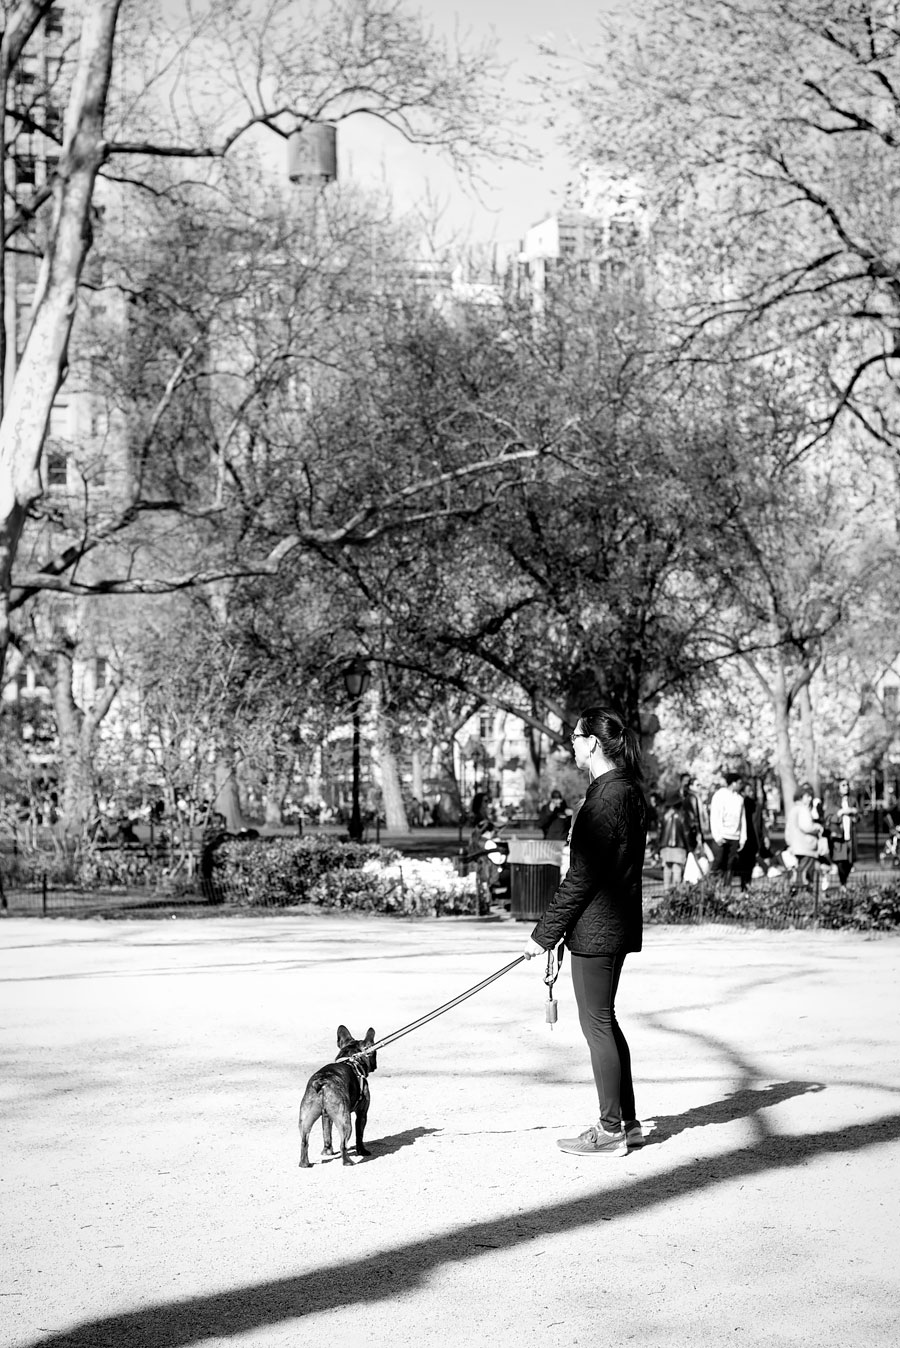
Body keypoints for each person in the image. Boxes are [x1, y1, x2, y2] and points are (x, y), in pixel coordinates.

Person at [521, 706, 647, 1157]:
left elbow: (582, 876)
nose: (571, 744)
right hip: (608, 925)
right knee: (605, 1021)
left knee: (596, 1022)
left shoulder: (606, 798)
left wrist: (544, 934)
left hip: (598, 928)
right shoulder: (625, 791)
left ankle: (610, 1129)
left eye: (575, 738)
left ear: (592, 742)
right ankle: (627, 1123)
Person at [708, 773, 747, 882]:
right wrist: (717, 836)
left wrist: (742, 838)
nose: (741, 786)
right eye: (739, 783)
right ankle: (712, 887)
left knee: (730, 865)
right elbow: (715, 817)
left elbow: (742, 819)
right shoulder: (720, 796)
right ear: (733, 783)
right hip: (722, 835)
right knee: (718, 862)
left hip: (734, 836)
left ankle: (726, 888)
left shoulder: (739, 799)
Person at [784, 783, 821, 890]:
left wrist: (790, 843)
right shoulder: (803, 810)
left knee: (799, 871)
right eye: (807, 796)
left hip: (796, 846)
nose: (810, 799)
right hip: (806, 846)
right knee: (805, 874)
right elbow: (806, 826)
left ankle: (796, 891)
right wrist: (817, 827)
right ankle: (803, 894)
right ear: (801, 796)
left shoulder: (793, 809)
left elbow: (788, 830)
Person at [828, 778, 859, 887]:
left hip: (850, 834)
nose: (846, 787)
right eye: (843, 785)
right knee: (841, 859)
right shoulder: (832, 800)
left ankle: (844, 883)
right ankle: (842, 884)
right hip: (839, 835)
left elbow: (858, 816)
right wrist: (840, 813)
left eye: (847, 785)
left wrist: (853, 813)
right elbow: (829, 817)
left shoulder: (852, 800)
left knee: (850, 861)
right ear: (838, 787)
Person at [659, 789, 690, 888]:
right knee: (677, 868)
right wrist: (689, 846)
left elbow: (660, 831)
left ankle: (666, 889)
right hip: (679, 845)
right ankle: (676, 891)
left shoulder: (664, 815)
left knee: (667, 868)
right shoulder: (683, 815)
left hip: (665, 845)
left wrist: (658, 847)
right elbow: (686, 832)